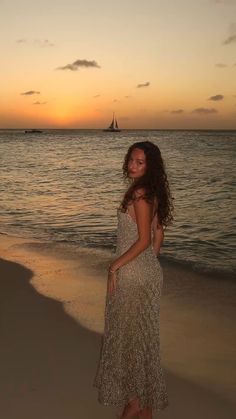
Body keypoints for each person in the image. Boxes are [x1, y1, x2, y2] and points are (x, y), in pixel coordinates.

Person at [93, 141, 174, 419]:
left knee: (128, 339)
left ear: (149, 166)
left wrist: (114, 267)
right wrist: (149, 262)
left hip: (132, 274)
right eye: (131, 160)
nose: (133, 165)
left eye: (140, 162)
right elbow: (157, 235)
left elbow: (142, 240)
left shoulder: (140, 194)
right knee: (141, 337)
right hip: (147, 272)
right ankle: (143, 405)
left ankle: (135, 402)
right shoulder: (153, 193)